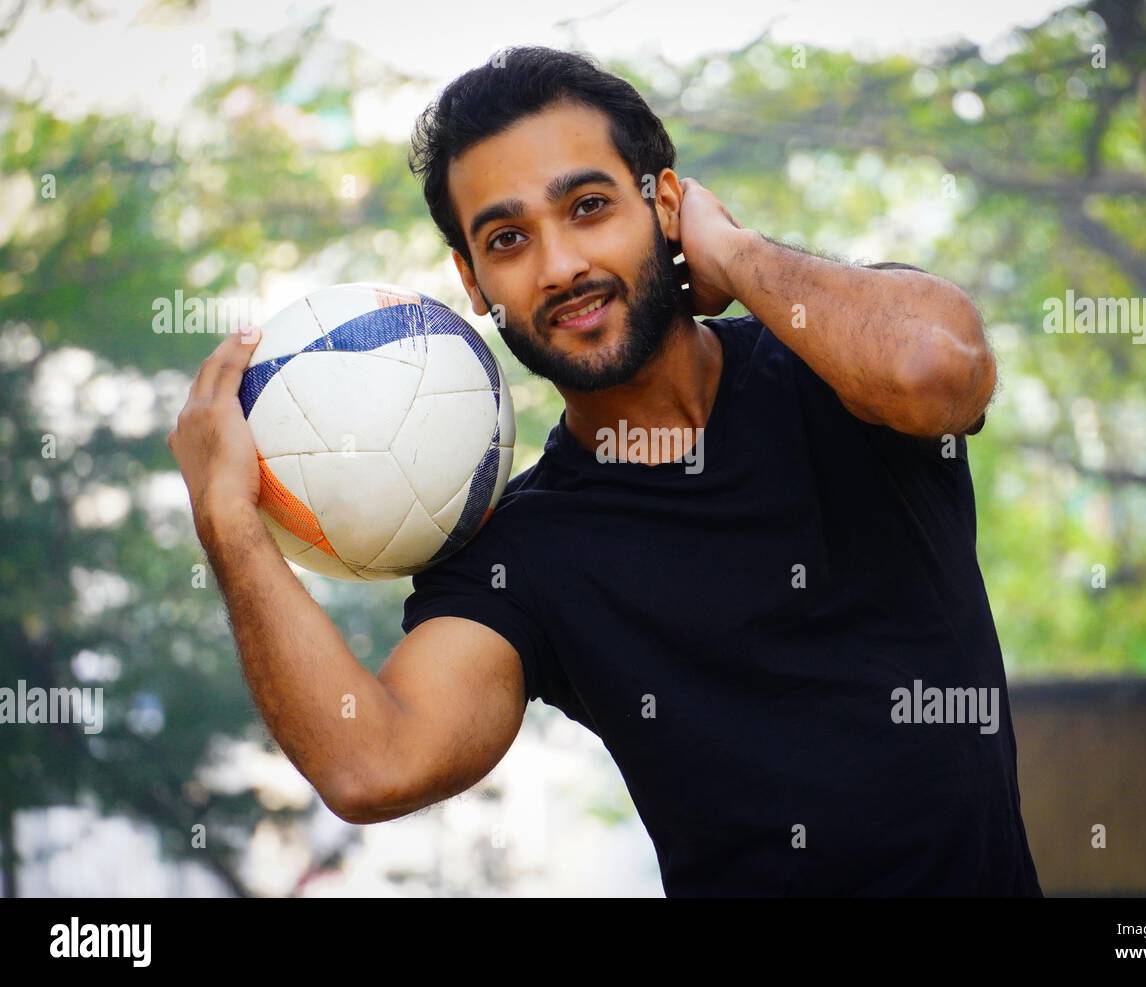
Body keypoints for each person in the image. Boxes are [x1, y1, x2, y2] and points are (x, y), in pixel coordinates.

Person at [169, 45, 1042, 897]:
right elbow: (373, 762)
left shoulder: (837, 370)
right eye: (507, 238)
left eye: (588, 206)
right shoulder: (523, 550)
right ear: (472, 283)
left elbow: (937, 372)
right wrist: (231, 524)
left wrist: (735, 254)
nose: (559, 266)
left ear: (666, 205)